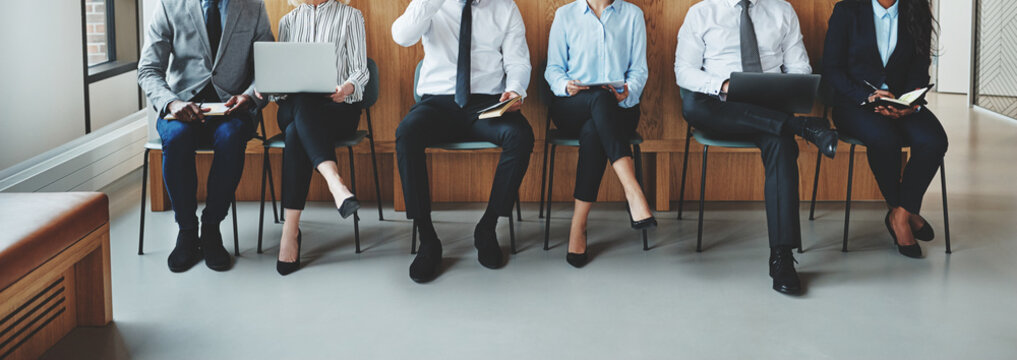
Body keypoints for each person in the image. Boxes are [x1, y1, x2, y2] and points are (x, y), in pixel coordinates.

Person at [674, 0, 839, 295]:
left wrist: (784, 89)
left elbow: (800, 66)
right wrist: (721, 84)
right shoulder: (701, 12)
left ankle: (782, 257)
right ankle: (802, 127)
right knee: (692, 105)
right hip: (720, 106)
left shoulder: (782, 11)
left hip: (770, 107)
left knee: (781, 146)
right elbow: (683, 71)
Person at [392, 0, 535, 283]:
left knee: (521, 136)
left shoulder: (505, 7)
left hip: (486, 104)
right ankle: (428, 238)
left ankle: (488, 226)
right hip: (437, 102)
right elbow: (402, 36)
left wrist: (514, 89)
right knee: (407, 134)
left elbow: (518, 61)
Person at [139, 0, 273, 273]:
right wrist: (172, 104)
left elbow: (268, 69)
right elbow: (148, 69)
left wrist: (248, 97)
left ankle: (212, 227)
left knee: (231, 135)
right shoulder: (168, 6)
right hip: (181, 108)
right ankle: (187, 230)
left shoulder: (253, 7)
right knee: (176, 138)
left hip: (231, 110)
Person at [823, 0, 948, 259]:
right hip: (855, 104)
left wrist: (907, 104)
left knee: (934, 140)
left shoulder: (916, 11)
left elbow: (919, 69)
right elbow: (832, 69)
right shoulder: (847, 11)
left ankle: (900, 212)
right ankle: (904, 217)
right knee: (885, 139)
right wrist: (867, 97)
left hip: (900, 104)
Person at [544, 0, 654, 268]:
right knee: (597, 101)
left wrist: (628, 90)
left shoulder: (633, 15)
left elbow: (639, 69)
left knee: (596, 125)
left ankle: (578, 226)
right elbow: (553, 68)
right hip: (573, 106)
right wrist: (564, 84)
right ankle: (632, 189)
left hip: (619, 108)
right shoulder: (565, 14)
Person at [272, 0, 370, 276]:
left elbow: (361, 70)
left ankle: (290, 233)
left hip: (336, 108)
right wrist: (273, 86)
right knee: (302, 100)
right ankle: (336, 184)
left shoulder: (351, 16)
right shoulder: (288, 22)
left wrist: (347, 87)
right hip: (293, 107)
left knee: (295, 133)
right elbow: (280, 76)